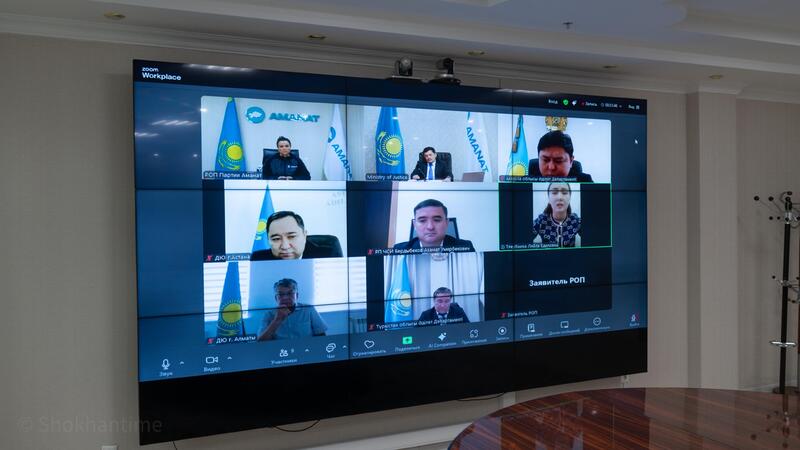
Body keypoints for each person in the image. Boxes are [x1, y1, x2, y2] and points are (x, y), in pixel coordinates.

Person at [251, 211, 339, 261]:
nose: (285, 246)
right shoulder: (259, 259)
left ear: (304, 235)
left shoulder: (327, 255)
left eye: (291, 237)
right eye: (276, 239)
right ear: (268, 239)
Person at [257, 278, 327, 340]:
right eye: (281, 294)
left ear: (297, 296)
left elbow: (321, 335)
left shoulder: (308, 309)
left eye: (290, 293)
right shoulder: (269, 314)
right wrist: (277, 320)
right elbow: (261, 341)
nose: (285, 297)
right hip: (281, 350)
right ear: (276, 298)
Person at [393, 199, 475, 251]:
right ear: (414, 225)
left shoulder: (465, 247)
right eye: (422, 221)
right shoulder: (399, 250)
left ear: (446, 223)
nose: (430, 227)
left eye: (437, 220)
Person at [528, 130, 593, 181]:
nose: (551, 167)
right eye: (545, 160)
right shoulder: (526, 182)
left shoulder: (585, 181)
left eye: (558, 161)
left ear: (571, 161)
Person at [532, 182, 581, 247]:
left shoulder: (575, 220)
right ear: (549, 199)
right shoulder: (541, 220)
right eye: (554, 193)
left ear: (570, 198)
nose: (559, 197)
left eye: (564, 193)